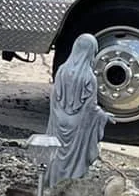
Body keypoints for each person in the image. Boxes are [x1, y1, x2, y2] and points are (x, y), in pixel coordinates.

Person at [47, 33, 111, 185]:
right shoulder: (89, 77)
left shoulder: (62, 70)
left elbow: (54, 97)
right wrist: (103, 116)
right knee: (74, 158)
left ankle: (53, 182)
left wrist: (57, 115)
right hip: (77, 123)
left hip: (59, 119)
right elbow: (90, 108)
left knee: (57, 154)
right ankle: (70, 185)